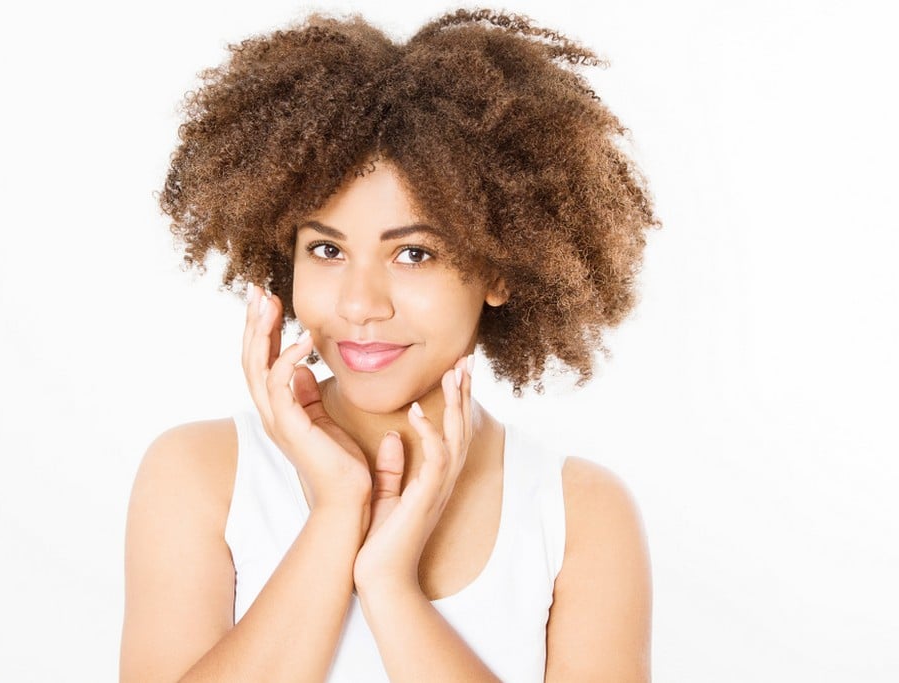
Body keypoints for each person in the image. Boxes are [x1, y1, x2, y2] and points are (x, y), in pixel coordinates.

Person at [121, 8, 657, 682]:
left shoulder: (579, 514)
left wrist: (389, 584)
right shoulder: (199, 476)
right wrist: (338, 511)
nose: (359, 304)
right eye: (326, 248)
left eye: (413, 252)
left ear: (498, 266)